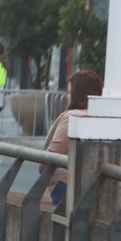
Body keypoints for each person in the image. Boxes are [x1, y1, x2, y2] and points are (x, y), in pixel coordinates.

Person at [42, 68, 101, 208]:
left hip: (64, 183)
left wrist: (45, 173)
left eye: (70, 92)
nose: (68, 96)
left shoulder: (71, 118)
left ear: (78, 94)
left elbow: (53, 152)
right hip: (94, 185)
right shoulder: (102, 117)